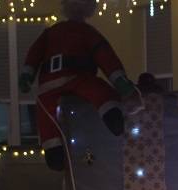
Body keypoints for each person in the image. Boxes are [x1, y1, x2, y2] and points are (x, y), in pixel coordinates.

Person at [19, 0, 139, 170]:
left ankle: (54, 150)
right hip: (78, 79)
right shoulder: (87, 33)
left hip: (54, 85)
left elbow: (34, 54)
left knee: (47, 113)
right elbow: (105, 56)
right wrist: (119, 80)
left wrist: (27, 75)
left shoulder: (52, 33)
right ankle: (111, 116)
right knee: (99, 91)